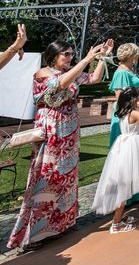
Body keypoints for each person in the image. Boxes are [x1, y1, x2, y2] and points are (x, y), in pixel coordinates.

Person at [8, 39, 113, 250]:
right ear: (53, 55)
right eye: (66, 54)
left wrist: (101, 58)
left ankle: (58, 225)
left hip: (70, 129)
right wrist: (86, 58)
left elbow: (94, 78)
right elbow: (61, 84)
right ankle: (33, 234)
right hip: (52, 129)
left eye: (71, 54)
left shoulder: (71, 70)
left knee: (65, 178)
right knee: (47, 176)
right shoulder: (42, 73)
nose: (70, 57)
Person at [92, 87, 139, 233]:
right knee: (124, 184)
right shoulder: (133, 112)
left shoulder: (123, 110)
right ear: (134, 100)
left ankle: (119, 217)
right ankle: (116, 223)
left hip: (124, 145)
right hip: (130, 147)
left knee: (124, 182)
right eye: (138, 98)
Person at [109, 43, 139, 203]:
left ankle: (132, 193)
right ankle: (120, 196)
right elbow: (120, 97)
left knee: (132, 155)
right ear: (133, 55)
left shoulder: (129, 71)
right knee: (123, 156)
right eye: (137, 54)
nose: (138, 56)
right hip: (125, 117)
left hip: (133, 115)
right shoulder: (121, 73)